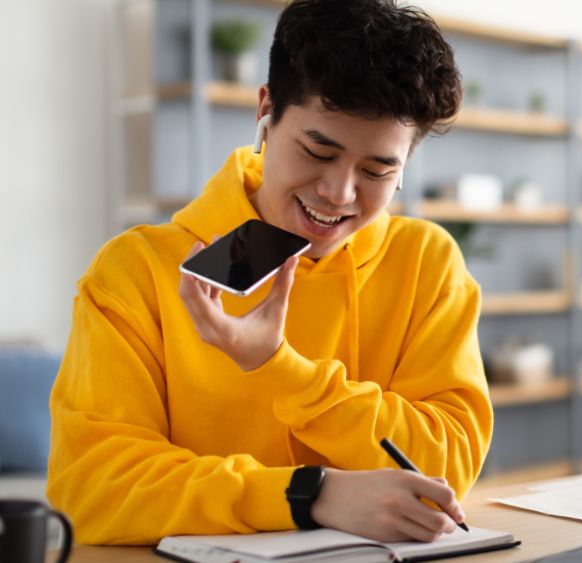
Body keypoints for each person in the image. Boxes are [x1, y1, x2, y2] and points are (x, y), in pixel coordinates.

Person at [47, 0, 492, 545]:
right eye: (317, 150)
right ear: (265, 111)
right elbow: (92, 487)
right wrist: (309, 494)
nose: (339, 193)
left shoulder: (426, 262)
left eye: (378, 169)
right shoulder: (135, 272)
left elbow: (447, 467)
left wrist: (283, 370)